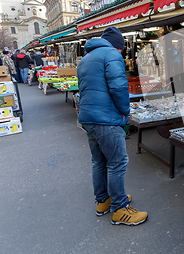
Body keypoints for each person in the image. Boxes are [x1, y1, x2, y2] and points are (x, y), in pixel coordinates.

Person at [77, 26, 148, 226]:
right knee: (117, 162)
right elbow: (118, 87)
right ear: (118, 46)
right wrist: (125, 111)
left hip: (88, 117)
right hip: (106, 118)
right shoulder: (112, 55)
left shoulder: (85, 58)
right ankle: (119, 208)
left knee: (99, 161)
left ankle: (103, 201)